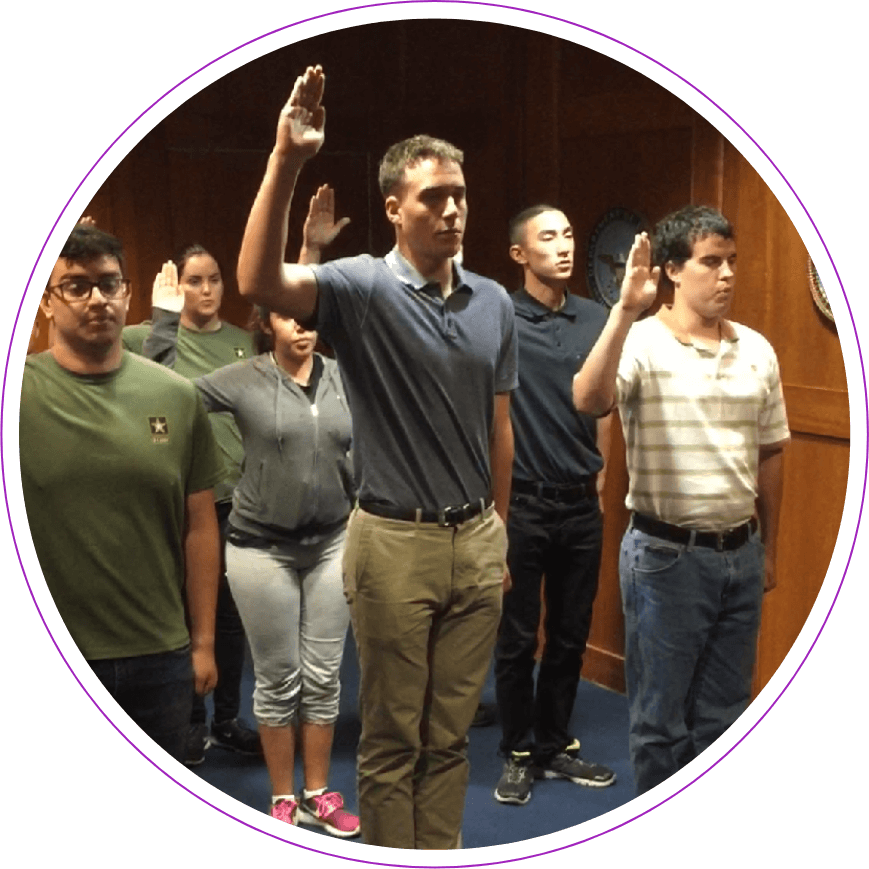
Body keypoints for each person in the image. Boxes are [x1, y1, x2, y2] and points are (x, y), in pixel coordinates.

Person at [235, 65, 517, 850]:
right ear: (395, 208)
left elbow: (500, 426)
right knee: (395, 738)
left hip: (475, 538)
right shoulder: (360, 287)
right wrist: (286, 159)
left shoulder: (493, 300)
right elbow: (256, 279)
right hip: (393, 541)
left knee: (452, 733)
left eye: (459, 193)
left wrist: (499, 531)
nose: (453, 207)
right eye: (433, 196)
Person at [572, 205, 789, 794]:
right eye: (710, 262)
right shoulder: (641, 342)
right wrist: (622, 311)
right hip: (666, 559)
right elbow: (589, 400)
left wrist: (767, 550)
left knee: (724, 719)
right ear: (673, 269)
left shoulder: (757, 351)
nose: (726, 275)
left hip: (739, 556)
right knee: (661, 726)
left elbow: (771, 452)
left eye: (732, 263)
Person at [147, 238, 360, 834]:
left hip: (331, 545)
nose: (303, 327)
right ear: (265, 323)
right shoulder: (241, 378)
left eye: (310, 318)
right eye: (290, 315)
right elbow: (162, 397)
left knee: (324, 676)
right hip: (260, 547)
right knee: (278, 677)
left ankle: (320, 792)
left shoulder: (345, 379)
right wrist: (164, 329)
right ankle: (282, 799)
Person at [20, 224, 223, 763]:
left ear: (129, 294)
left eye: (109, 285)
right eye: (77, 286)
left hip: (160, 655)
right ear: (46, 302)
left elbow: (200, 525)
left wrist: (203, 643)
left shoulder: (176, 397)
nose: (97, 299)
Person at [493, 206, 617, 806]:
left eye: (570, 234)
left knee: (570, 634)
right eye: (549, 237)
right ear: (520, 254)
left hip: (579, 504)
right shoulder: (499, 318)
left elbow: (604, 404)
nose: (564, 246)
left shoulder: (595, 316)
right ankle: (517, 750)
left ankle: (555, 742)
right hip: (521, 505)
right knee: (518, 638)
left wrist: (601, 476)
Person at [128, 244, 261, 765]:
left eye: (214, 280)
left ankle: (227, 717)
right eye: (194, 281)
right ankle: (189, 721)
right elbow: (129, 393)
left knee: (229, 618)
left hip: (234, 501)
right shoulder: (146, 335)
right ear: (176, 286)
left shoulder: (242, 341)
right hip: (174, 502)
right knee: (186, 614)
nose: (206, 291)